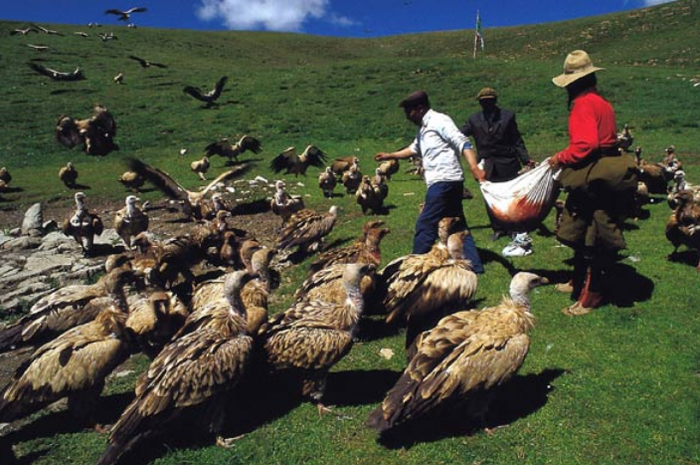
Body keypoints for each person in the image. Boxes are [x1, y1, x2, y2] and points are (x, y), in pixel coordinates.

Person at [547, 50, 638, 316]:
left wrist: (559, 158)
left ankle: (592, 295)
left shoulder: (583, 105)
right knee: (581, 225)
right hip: (605, 170)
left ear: (572, 83)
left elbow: (586, 145)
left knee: (594, 235)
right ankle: (578, 280)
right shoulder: (602, 103)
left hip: (596, 174)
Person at [375, 90, 485, 273]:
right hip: (447, 181)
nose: (407, 117)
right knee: (457, 224)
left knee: (425, 224)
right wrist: (390, 155)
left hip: (444, 181)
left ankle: (415, 268)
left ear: (419, 108)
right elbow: (413, 149)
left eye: (408, 112)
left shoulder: (439, 121)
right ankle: (473, 266)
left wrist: (474, 167)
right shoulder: (424, 129)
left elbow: (463, 142)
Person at [460, 87, 537, 255]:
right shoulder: (474, 120)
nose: (487, 104)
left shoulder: (508, 116)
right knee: (490, 198)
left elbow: (516, 140)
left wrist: (525, 159)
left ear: (495, 101)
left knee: (510, 197)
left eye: (490, 100)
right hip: (487, 165)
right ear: (480, 103)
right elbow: (458, 136)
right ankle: (498, 228)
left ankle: (513, 227)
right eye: (484, 101)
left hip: (508, 162)